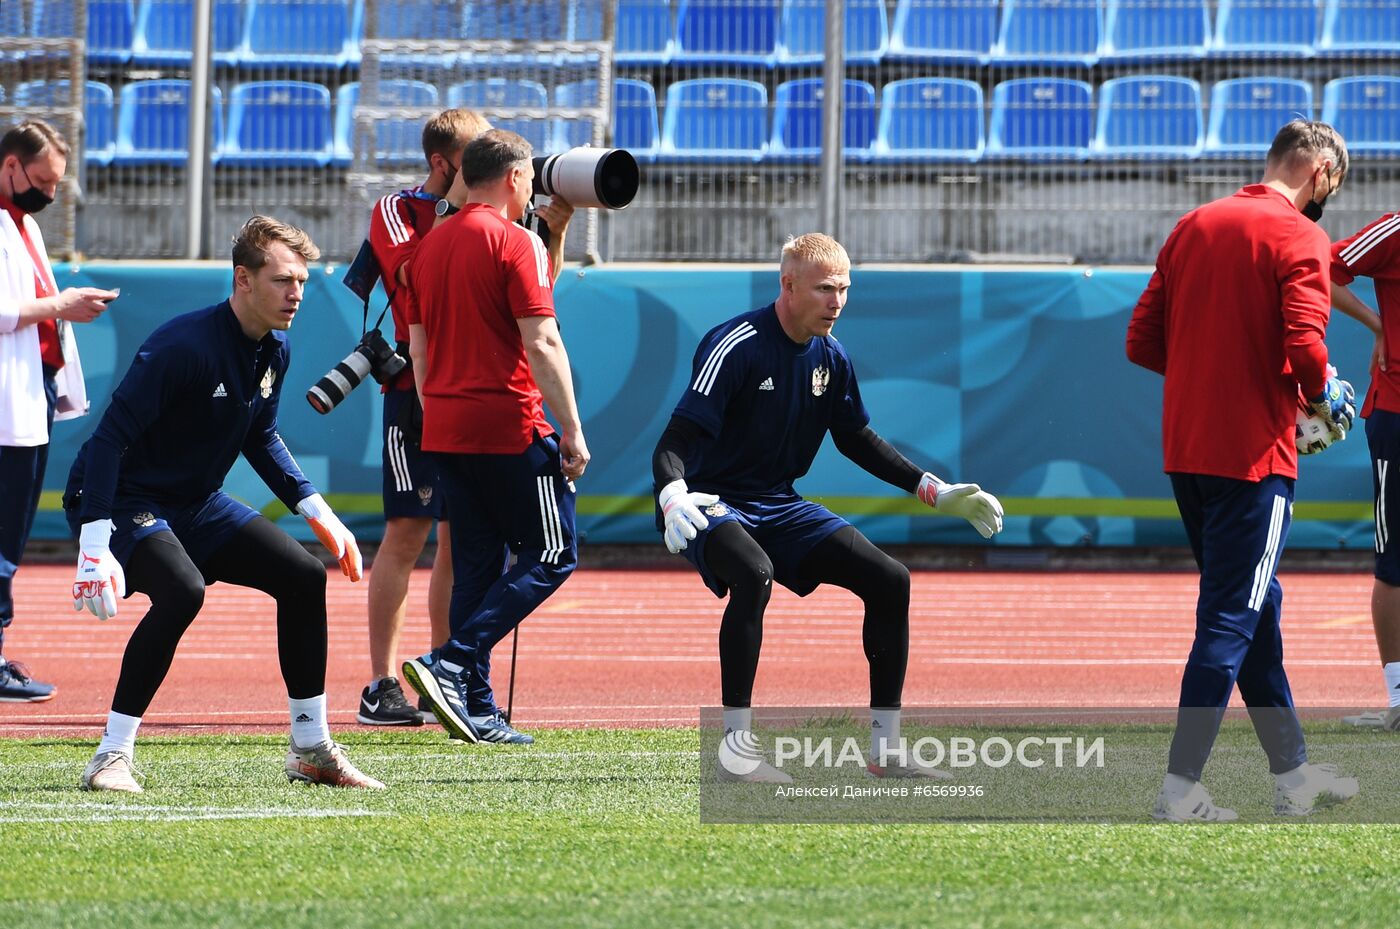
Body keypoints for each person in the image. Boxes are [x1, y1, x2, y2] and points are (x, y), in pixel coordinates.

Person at [651, 233, 1005, 784]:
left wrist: (932, 489)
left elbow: (856, 437)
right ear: (788, 286)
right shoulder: (736, 344)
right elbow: (673, 440)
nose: (836, 301)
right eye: (824, 289)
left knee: (891, 579)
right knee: (754, 574)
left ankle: (886, 751)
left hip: (778, 504)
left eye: (843, 288)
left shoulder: (831, 356)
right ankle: (735, 753)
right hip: (706, 503)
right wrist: (671, 494)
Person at [64, 216, 382, 793]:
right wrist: (94, 544)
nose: (296, 294)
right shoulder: (180, 346)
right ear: (243, 280)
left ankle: (310, 747)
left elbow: (260, 435)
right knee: (184, 590)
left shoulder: (275, 349)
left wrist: (319, 513)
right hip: (121, 498)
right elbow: (108, 440)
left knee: (305, 576)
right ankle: (111, 756)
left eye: (303, 282)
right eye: (283, 280)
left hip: (195, 502)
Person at [1127, 120, 1360, 821]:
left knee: (1256, 609)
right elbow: (1306, 347)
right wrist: (1320, 402)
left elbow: (1142, 340)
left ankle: (1292, 772)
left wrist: (1216, 375)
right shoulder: (1300, 235)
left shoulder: (1194, 222)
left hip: (1187, 450)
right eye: (1331, 190)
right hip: (1252, 455)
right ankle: (1180, 787)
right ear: (1319, 171)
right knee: (1232, 615)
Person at [360, 108, 575, 727]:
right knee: (411, 533)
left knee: (468, 551)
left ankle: (459, 691)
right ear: (444, 163)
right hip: (429, 395)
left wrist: (550, 234)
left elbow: (531, 300)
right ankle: (394, 678)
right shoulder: (401, 212)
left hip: (447, 400)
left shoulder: (508, 232)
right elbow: (412, 279)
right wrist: (475, 208)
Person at [0, 120, 116, 702]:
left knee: (11, 528)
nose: (49, 193)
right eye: (42, 180)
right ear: (11, 165)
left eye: (56, 184)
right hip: (6, 400)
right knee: (2, 529)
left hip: (28, 392)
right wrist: (62, 304)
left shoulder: (22, 225)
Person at [1326, 214, 1400, 731]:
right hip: (1397, 413)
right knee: (1394, 560)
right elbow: (1321, 269)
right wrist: (1379, 324)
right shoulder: (1396, 229)